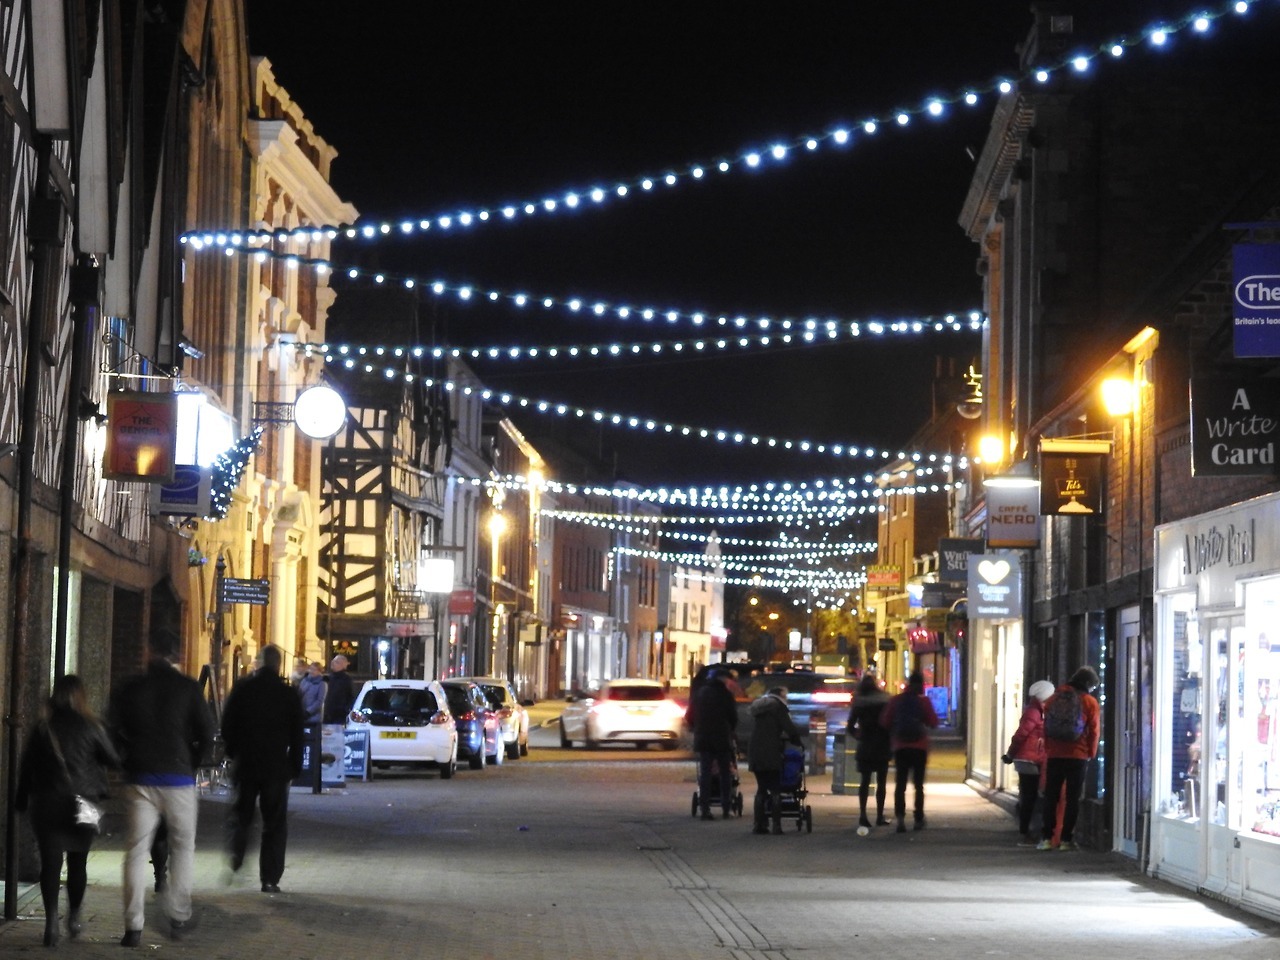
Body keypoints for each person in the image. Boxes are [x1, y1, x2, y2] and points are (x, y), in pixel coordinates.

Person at [109, 628, 216, 946]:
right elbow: (208, 733)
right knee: (183, 847)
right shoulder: (188, 688)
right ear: (177, 655)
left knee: (135, 851)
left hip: (140, 778)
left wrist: (127, 759)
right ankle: (178, 915)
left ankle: (133, 927)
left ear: (149, 650)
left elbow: (112, 729)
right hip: (179, 778)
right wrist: (191, 763)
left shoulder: (131, 688)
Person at [16, 675, 119, 946]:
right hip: (83, 804)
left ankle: (51, 922)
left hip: (47, 803)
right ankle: (73, 917)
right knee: (78, 862)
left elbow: (26, 767)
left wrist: (21, 799)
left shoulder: (43, 728)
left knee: (50, 864)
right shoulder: (92, 726)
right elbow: (113, 759)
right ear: (81, 696)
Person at [220, 643, 306, 893]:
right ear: (278, 664)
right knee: (274, 824)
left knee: (242, 815)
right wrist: (295, 767)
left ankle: (236, 857)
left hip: (247, 764)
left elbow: (227, 726)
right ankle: (269, 878)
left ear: (259, 662)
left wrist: (234, 752)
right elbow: (297, 735)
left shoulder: (243, 689)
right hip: (275, 768)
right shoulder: (288, 694)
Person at [1037, 666, 1102, 851]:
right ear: (1087, 683)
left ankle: (1046, 838)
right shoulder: (1089, 702)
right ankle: (1066, 840)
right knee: (1073, 798)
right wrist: (1091, 753)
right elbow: (1094, 731)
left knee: (1051, 796)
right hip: (1078, 755)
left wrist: (1048, 748)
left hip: (1055, 754)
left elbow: (1045, 726)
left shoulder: (1054, 698)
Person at [880, 671, 940, 833]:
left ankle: (900, 818)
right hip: (919, 747)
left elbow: (885, 722)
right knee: (918, 785)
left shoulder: (896, 700)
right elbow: (933, 722)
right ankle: (918, 818)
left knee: (900, 785)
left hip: (900, 747)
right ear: (921, 685)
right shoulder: (924, 701)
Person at [1002, 679, 1056, 845]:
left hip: (1032, 758)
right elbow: (1021, 734)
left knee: (1030, 796)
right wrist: (1010, 754)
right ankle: (1026, 832)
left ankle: (1028, 830)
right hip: (1029, 760)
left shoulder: (1039, 710)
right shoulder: (1034, 712)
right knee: (1031, 796)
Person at [746, 686, 802, 834]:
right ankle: (776, 826)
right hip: (771, 750)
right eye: (785, 696)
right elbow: (789, 728)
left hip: (755, 750)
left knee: (761, 788)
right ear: (781, 696)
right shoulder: (778, 708)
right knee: (775, 789)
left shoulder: (758, 708)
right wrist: (797, 742)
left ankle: (759, 825)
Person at [686, 668, 739, 820]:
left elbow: (689, 716)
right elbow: (733, 717)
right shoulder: (725, 694)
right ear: (723, 679)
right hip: (722, 738)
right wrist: (730, 730)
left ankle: (704, 808)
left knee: (705, 774)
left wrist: (696, 728)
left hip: (703, 738)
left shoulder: (700, 694)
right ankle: (726, 807)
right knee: (725, 773)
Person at [847, 672, 891, 835]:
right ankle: (879, 815)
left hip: (866, 744)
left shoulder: (859, 702)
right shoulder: (885, 700)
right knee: (881, 781)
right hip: (882, 744)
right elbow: (890, 721)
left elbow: (850, 726)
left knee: (865, 782)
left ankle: (863, 815)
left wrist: (858, 735)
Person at [323, 654, 355, 725]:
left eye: (336, 662)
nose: (333, 663)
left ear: (343, 665)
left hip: (339, 717)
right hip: (326, 715)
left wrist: (345, 710)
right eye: (333, 661)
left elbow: (350, 696)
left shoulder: (346, 679)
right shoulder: (328, 678)